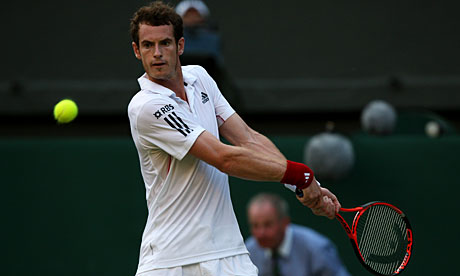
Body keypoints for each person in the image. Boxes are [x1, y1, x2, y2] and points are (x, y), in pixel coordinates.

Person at [128, 1, 341, 275]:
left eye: (165, 43)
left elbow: (249, 139)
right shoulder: (146, 106)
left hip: (229, 254)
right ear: (137, 50)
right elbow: (224, 157)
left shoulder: (201, 79)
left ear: (180, 46)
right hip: (172, 260)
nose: (157, 54)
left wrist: (303, 186)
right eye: (148, 45)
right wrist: (300, 175)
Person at [246, 193, 350, 276]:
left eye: (268, 225)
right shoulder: (248, 251)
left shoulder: (317, 248)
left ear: (285, 223)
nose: (261, 233)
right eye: (255, 226)